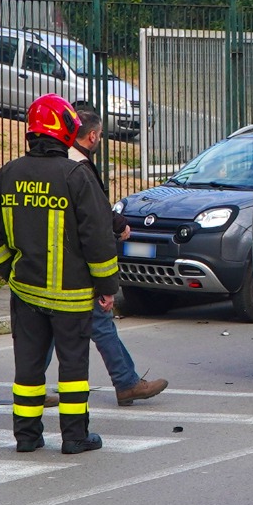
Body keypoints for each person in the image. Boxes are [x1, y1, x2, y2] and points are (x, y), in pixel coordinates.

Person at [0, 93, 120, 455]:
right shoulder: (76, 175)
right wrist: (107, 287)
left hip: (25, 292)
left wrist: (9, 270)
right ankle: (75, 437)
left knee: (27, 369)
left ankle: (26, 437)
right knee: (73, 368)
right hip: (71, 296)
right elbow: (98, 237)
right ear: (65, 130)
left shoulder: (9, 173)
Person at [65, 105, 167, 407]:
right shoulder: (79, 168)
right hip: (76, 265)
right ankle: (126, 383)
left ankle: (126, 381)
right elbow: (94, 220)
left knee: (55, 325)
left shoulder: (58, 163)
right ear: (93, 136)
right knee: (99, 320)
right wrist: (108, 286)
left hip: (49, 265)